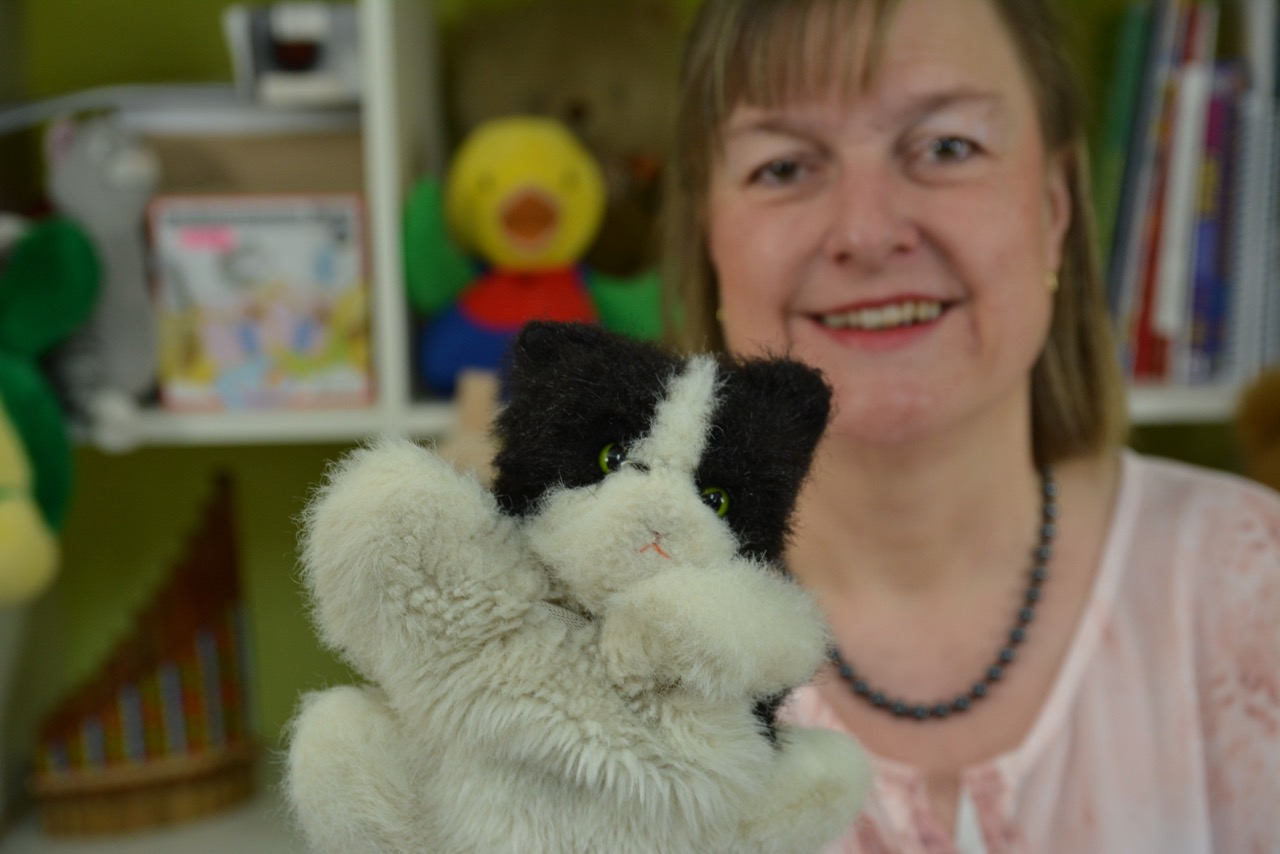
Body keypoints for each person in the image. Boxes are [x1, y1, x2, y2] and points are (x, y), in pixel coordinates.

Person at [662, 0, 1280, 851]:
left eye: (947, 147)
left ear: (1054, 207)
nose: (867, 232)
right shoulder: (580, 656)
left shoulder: (1255, 590)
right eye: (784, 166)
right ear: (709, 234)